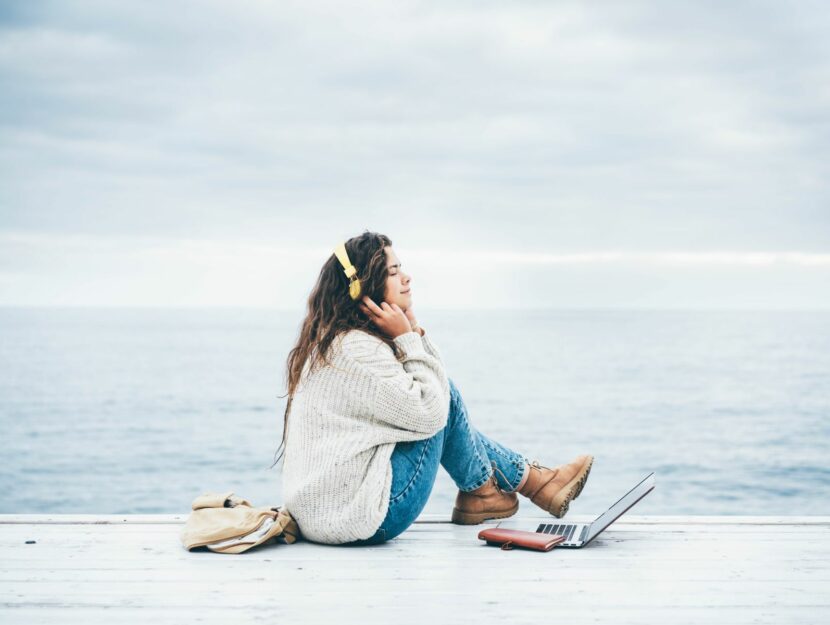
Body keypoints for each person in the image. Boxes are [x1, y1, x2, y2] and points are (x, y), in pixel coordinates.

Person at [275, 230, 593, 546]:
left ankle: (502, 489)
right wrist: (410, 338)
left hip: (323, 516)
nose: (407, 279)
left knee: (432, 390)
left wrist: (412, 333)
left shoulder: (333, 343)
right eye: (394, 272)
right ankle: (506, 487)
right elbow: (433, 411)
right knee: (438, 395)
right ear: (365, 286)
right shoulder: (358, 349)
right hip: (366, 519)